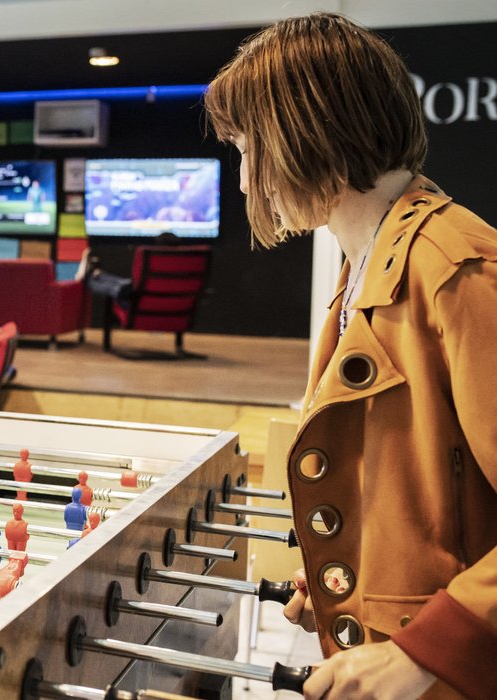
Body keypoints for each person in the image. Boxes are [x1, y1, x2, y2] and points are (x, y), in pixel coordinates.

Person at [205, 13, 497, 700]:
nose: (246, 182)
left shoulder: (458, 267)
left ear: (302, 132)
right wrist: (356, 575)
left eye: (248, 149)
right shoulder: (365, 262)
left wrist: (421, 653)